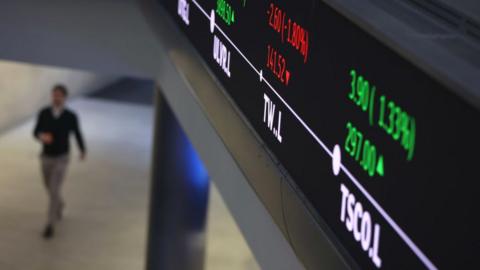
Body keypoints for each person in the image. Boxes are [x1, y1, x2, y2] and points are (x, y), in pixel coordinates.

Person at [33, 85, 86, 239]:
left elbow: (77, 133)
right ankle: (60, 204)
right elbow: (35, 131)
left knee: (54, 189)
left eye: (59, 96)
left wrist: (82, 150)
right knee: (48, 186)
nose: (56, 98)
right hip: (46, 156)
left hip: (62, 158)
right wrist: (42, 137)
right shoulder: (44, 113)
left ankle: (50, 224)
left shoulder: (71, 116)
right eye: (54, 95)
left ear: (64, 97)